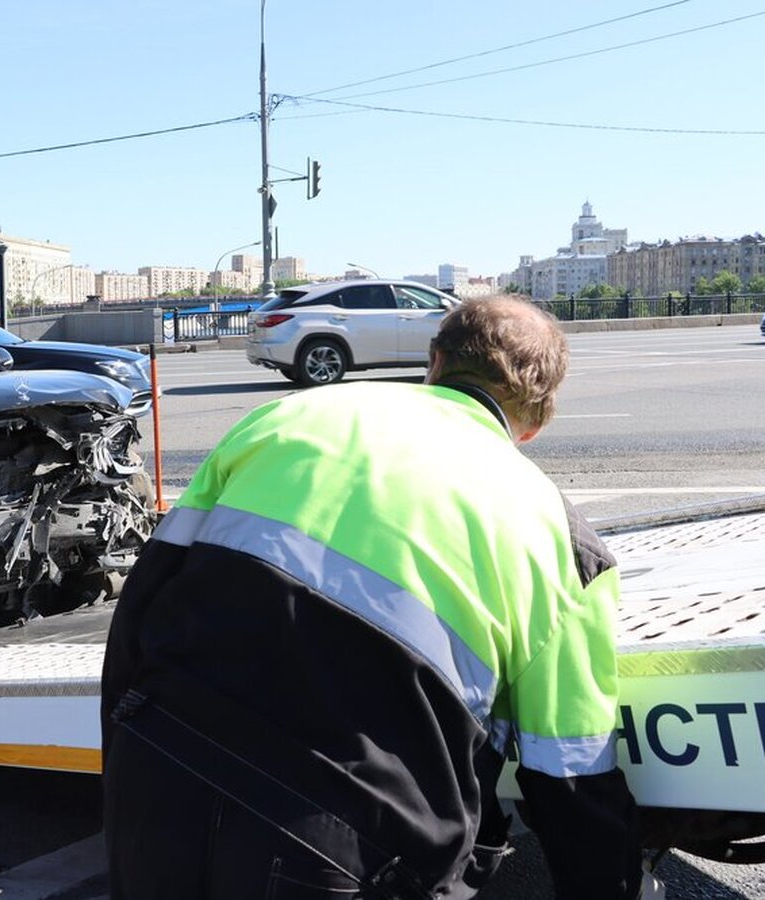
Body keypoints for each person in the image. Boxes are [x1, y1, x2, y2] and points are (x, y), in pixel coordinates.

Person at [102, 297, 658, 899]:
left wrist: (128, 757)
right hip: (344, 848)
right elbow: (570, 773)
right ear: (538, 420)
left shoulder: (287, 418)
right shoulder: (560, 537)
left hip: (161, 778)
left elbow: (142, 605)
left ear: (435, 362)